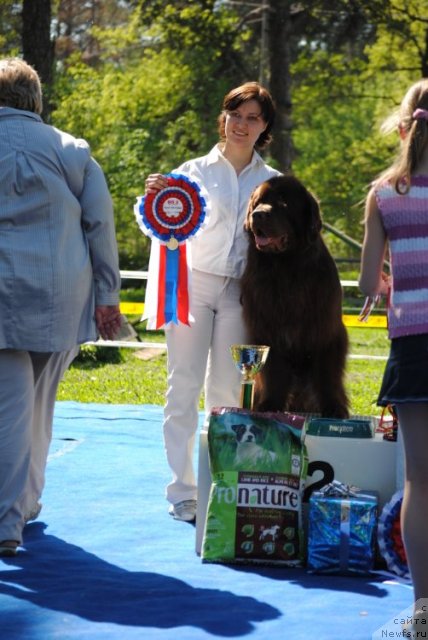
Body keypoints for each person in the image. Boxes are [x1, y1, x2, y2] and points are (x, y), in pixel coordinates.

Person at [0, 58, 122, 556]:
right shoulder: (72, 150)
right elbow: (100, 225)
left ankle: (7, 522)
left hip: (4, 297)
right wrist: (108, 297)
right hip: (60, 296)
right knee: (39, 408)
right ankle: (24, 504)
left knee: (9, 410)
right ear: (36, 99)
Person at [144, 81, 281, 522]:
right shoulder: (191, 171)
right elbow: (165, 220)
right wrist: (156, 190)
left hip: (243, 293)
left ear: (265, 127)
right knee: (182, 385)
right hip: (192, 285)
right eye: (235, 115)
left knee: (229, 392)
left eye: (253, 117)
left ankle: (221, 483)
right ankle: (183, 490)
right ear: (223, 118)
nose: (242, 125)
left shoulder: (274, 183)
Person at [359, 79, 428, 631]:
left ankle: (423, 614)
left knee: (421, 484)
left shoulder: (384, 193)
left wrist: (386, 279)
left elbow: (365, 281)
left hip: (413, 345)